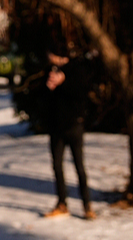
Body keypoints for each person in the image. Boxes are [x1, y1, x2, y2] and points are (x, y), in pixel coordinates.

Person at [34, 44, 100, 219]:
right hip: (56, 128)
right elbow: (41, 98)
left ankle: (87, 205)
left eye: (52, 55)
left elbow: (82, 93)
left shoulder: (76, 71)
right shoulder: (49, 72)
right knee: (57, 166)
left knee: (79, 166)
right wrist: (49, 87)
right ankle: (62, 203)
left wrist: (64, 83)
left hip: (74, 126)